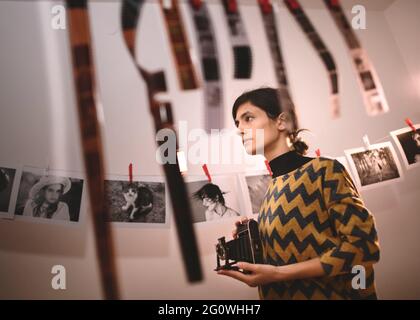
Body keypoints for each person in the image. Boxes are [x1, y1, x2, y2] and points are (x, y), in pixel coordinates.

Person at [217, 87, 380, 300]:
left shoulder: (324, 170)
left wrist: (276, 274)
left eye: (248, 118)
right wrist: (253, 239)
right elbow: (292, 254)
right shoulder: (271, 190)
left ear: (281, 122)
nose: (239, 129)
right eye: (237, 123)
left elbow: (362, 247)